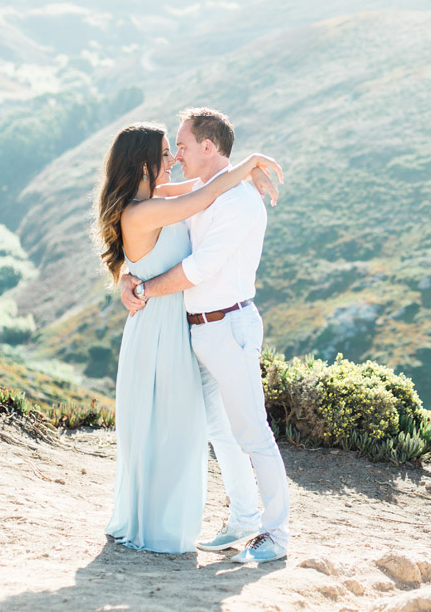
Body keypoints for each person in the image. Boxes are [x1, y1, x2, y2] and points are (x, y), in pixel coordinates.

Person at [95, 121, 281, 554]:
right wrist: (249, 163)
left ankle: (244, 517)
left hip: (180, 325)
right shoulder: (144, 210)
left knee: (204, 426)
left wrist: (130, 277)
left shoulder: (155, 199)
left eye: (175, 149)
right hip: (160, 329)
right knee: (172, 428)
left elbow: (204, 188)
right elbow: (205, 195)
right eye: (165, 153)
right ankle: (169, 521)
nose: (173, 159)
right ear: (142, 163)